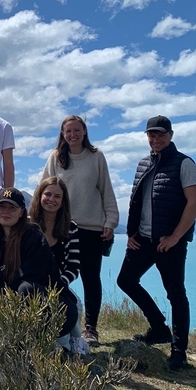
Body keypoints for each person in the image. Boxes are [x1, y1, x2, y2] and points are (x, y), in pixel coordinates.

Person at [117, 116, 196, 371]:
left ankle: (179, 351)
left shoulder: (184, 163)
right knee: (125, 281)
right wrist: (131, 234)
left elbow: (194, 203)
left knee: (176, 293)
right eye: (151, 135)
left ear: (171, 135)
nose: (156, 139)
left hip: (169, 242)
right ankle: (159, 329)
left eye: (160, 135)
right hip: (142, 239)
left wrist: (176, 237)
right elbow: (135, 202)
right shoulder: (143, 164)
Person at [42, 115, 118, 345]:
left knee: (90, 277)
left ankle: (91, 328)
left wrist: (110, 221)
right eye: (68, 131)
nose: (73, 135)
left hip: (91, 228)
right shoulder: (56, 157)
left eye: (77, 130)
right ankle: (49, 320)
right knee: (52, 274)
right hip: (60, 226)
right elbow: (43, 187)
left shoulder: (96, 157)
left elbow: (106, 189)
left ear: (84, 132)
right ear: (63, 134)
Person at [0, 188, 78, 340]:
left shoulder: (33, 236)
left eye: (12, 208)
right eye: (2, 206)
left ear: (21, 212)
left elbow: (29, 275)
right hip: (13, 309)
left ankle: (51, 342)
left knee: (26, 289)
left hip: (58, 308)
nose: (6, 212)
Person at [29, 177, 80, 288]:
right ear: (39, 196)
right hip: (28, 287)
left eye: (57, 196)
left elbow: (74, 267)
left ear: (62, 202)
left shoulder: (71, 227)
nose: (51, 199)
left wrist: (59, 284)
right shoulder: (26, 225)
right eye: (47, 194)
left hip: (58, 288)